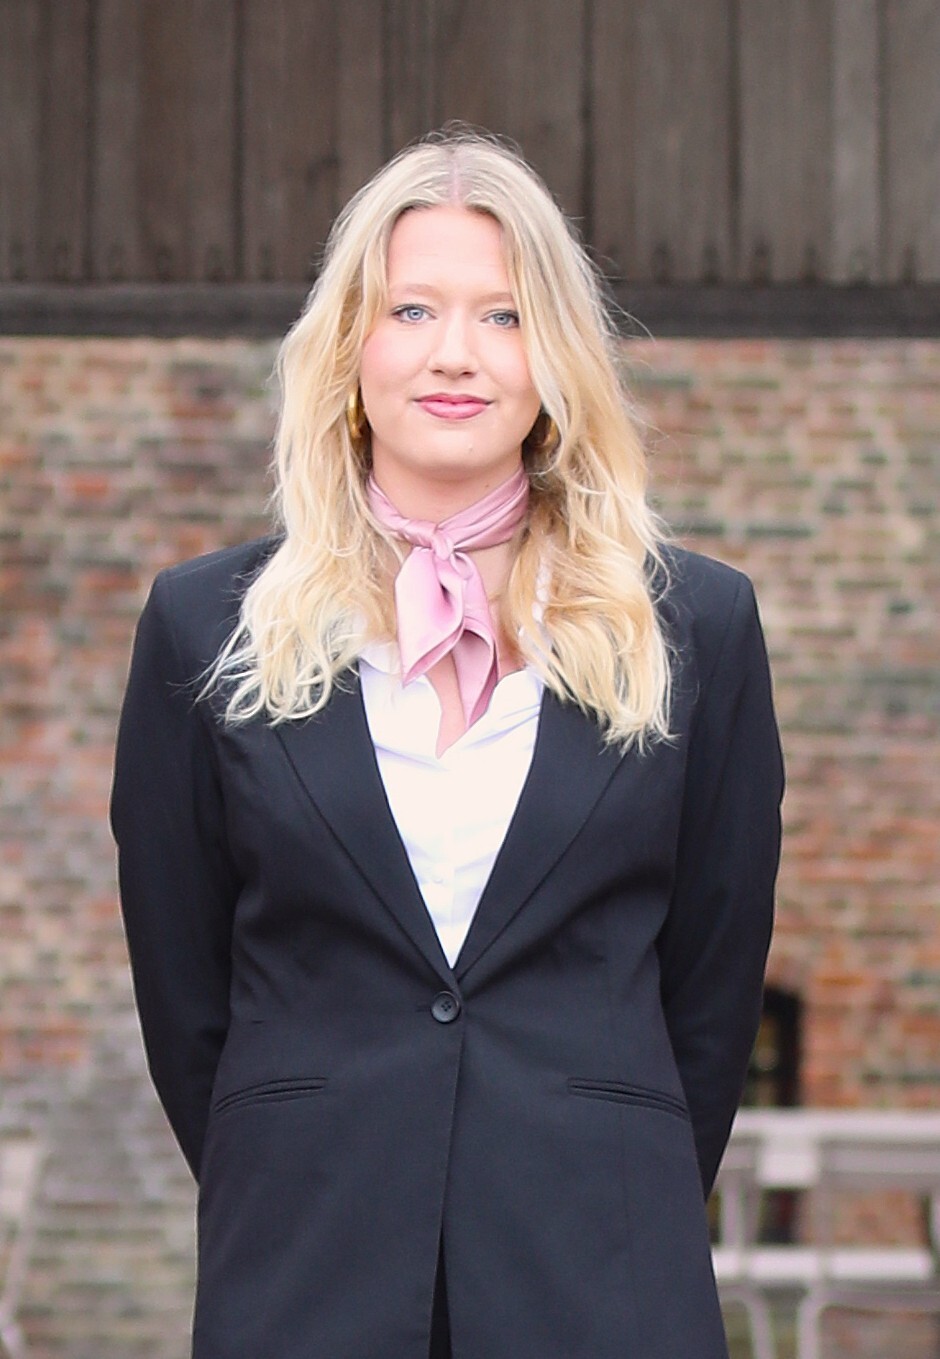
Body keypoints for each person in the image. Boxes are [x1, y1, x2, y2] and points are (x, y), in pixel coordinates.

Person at [111, 128, 784, 1359]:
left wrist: (609, 1172)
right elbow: (185, 986)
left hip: (601, 1269)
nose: (455, 354)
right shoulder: (203, 629)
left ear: (556, 356)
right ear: (349, 349)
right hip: (305, 1264)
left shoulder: (697, 627)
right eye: (412, 309)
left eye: (504, 315)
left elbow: (713, 978)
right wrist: (300, 1157)